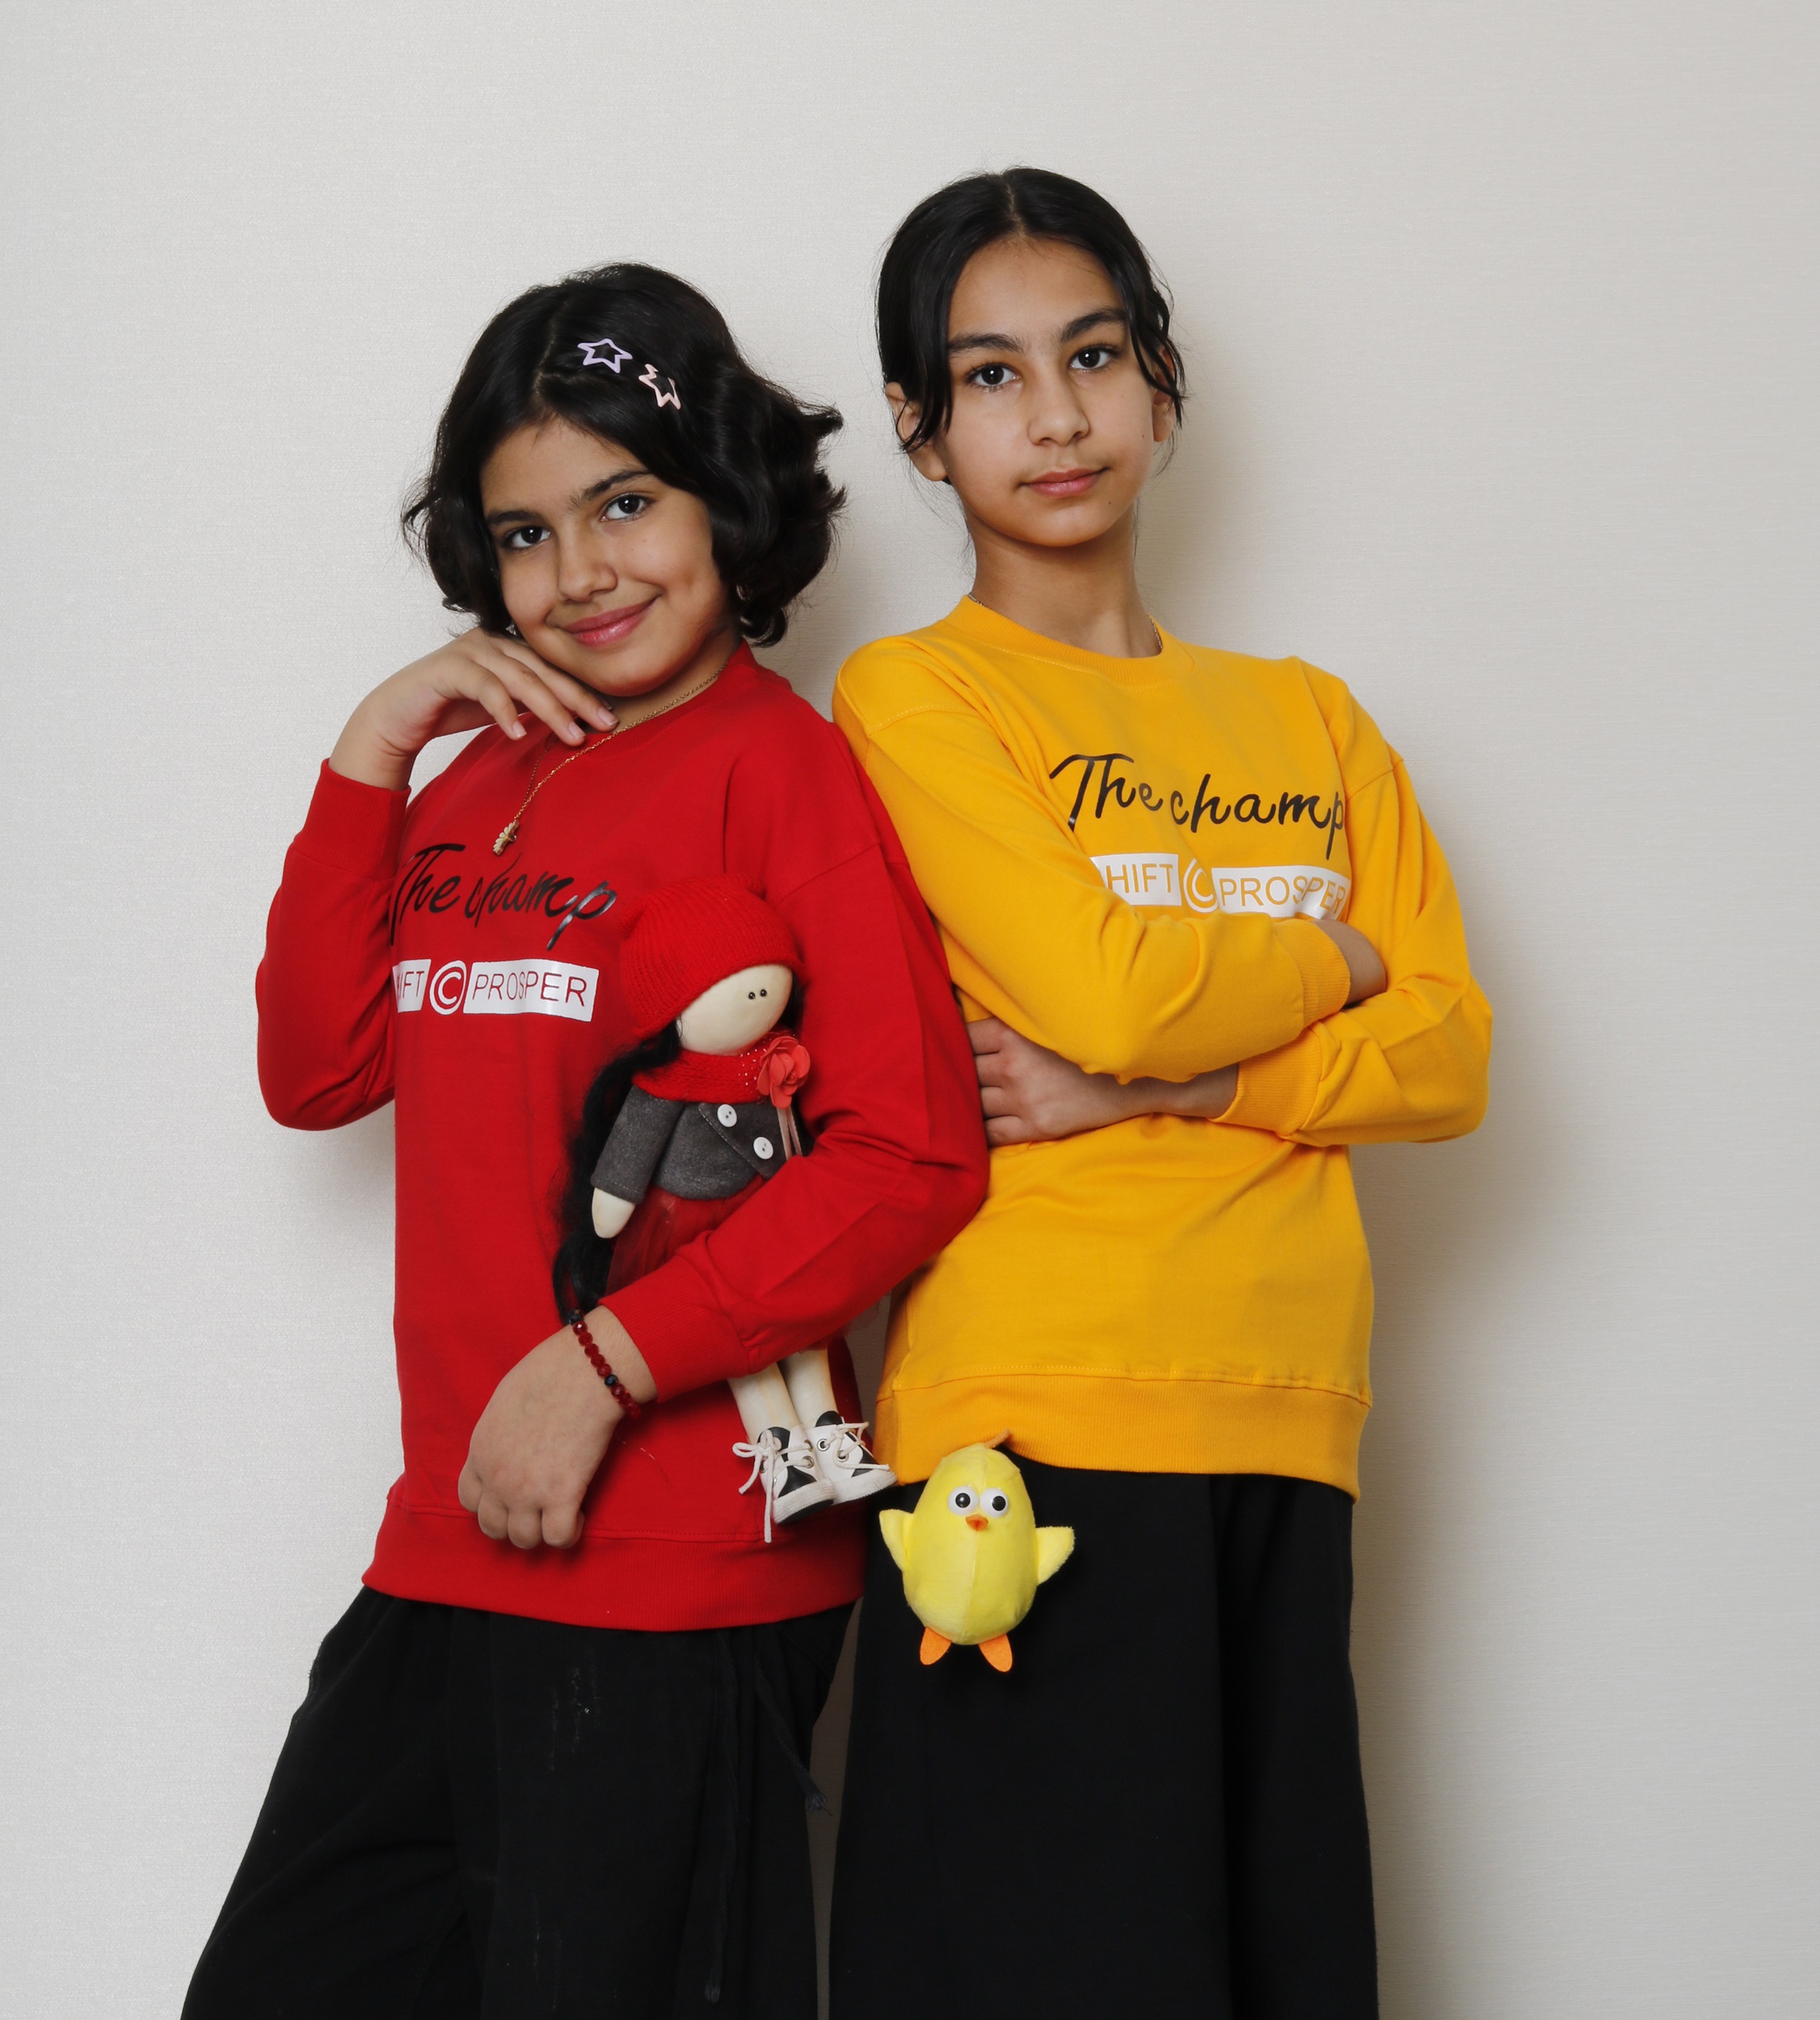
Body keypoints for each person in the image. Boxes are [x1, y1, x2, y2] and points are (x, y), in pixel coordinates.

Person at [183, 263, 986, 2020]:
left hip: (683, 1573)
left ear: (724, 498)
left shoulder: (781, 772)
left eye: (625, 502)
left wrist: (604, 1362)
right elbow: (316, 1073)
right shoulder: (468, 785)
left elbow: (912, 1155)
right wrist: (375, 747)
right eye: (525, 533)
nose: (582, 572)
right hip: (447, 1540)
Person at [828, 169, 1491, 2018]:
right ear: (921, 430)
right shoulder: (917, 696)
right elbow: (1104, 989)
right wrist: (1331, 958)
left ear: (1161, 387)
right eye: (989, 375)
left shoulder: (1312, 718)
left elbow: (1450, 1051)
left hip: (1289, 1408)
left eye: (1095, 355)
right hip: (1032, 1428)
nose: (1055, 415)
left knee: (1275, 1969)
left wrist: (1184, 1083)